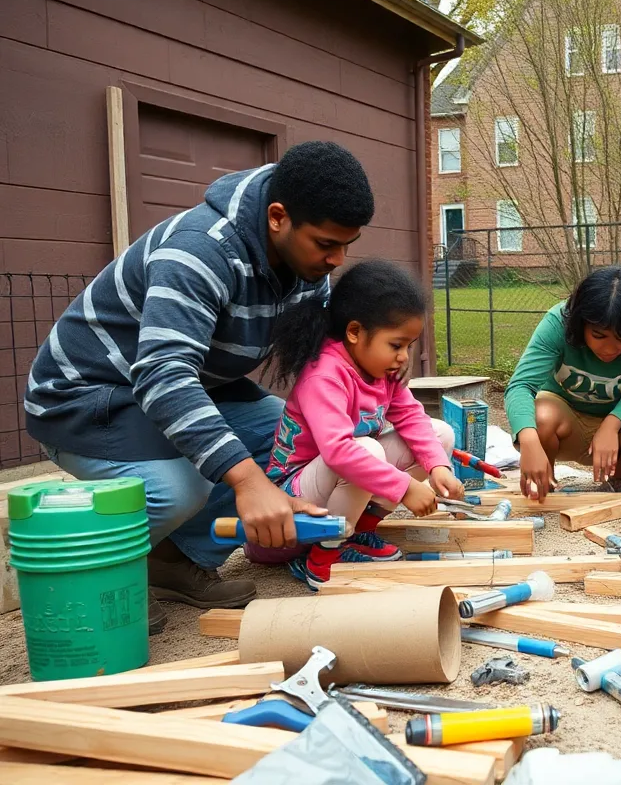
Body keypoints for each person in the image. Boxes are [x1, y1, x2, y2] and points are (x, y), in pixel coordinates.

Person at [25, 140, 375, 634]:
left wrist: (376, 414)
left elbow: (320, 365)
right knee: (177, 489)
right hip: (86, 398)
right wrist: (249, 482)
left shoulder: (304, 267)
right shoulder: (200, 250)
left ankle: (168, 559)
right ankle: (89, 583)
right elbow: (164, 373)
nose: (337, 260)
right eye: (326, 244)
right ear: (278, 217)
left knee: (295, 434)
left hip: (187, 388)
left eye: (347, 244)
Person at [259, 259, 461, 588]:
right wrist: (406, 487)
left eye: (409, 346)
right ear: (354, 332)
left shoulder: (384, 372)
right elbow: (339, 452)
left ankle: (357, 534)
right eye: (396, 345)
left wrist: (438, 466)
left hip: (334, 488)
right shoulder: (324, 374)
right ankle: (322, 559)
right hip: (293, 503)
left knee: (440, 435)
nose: (404, 357)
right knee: (364, 449)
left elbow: (411, 416)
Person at [505, 266, 621, 501]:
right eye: (599, 335)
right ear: (580, 323)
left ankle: (616, 482)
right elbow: (520, 385)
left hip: (619, 427)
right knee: (539, 417)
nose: (610, 349)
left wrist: (612, 424)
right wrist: (529, 440)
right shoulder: (558, 322)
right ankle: (545, 482)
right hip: (564, 420)